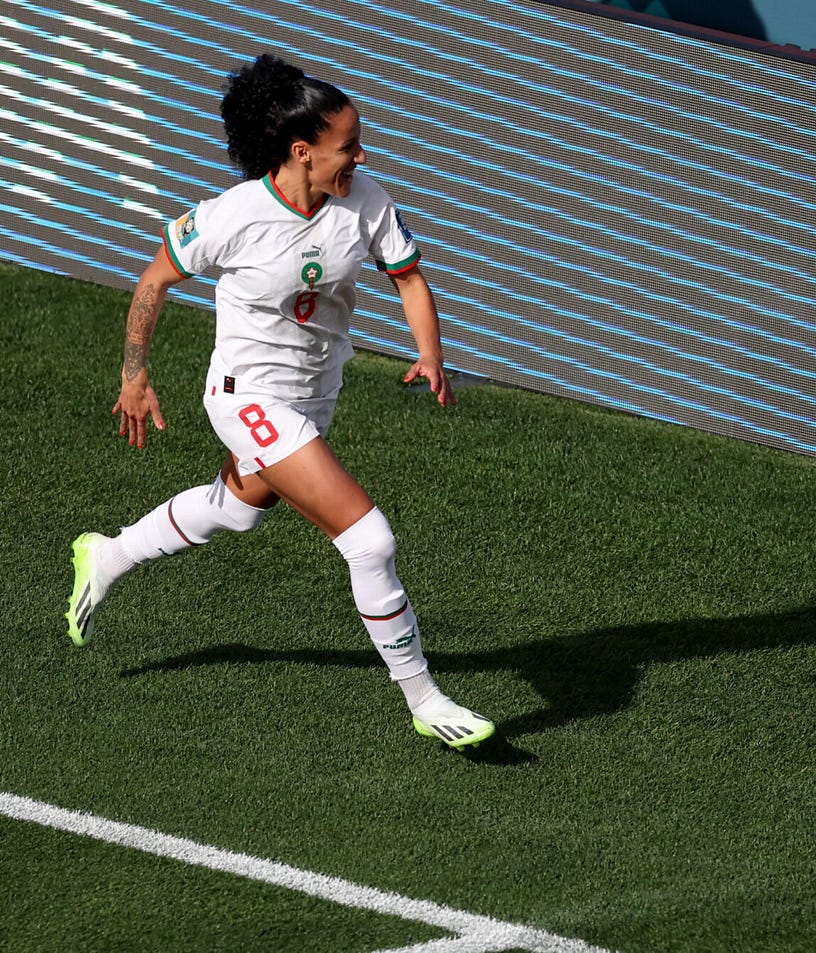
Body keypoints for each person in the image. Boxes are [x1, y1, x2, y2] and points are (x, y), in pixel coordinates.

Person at [64, 54, 494, 751]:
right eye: (347, 145)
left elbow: (410, 280)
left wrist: (430, 352)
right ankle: (425, 697)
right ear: (303, 152)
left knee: (238, 507)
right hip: (246, 395)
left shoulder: (367, 202)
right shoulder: (232, 217)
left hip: (315, 394)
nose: (360, 155)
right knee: (369, 539)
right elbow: (152, 282)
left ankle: (107, 555)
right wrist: (133, 376)